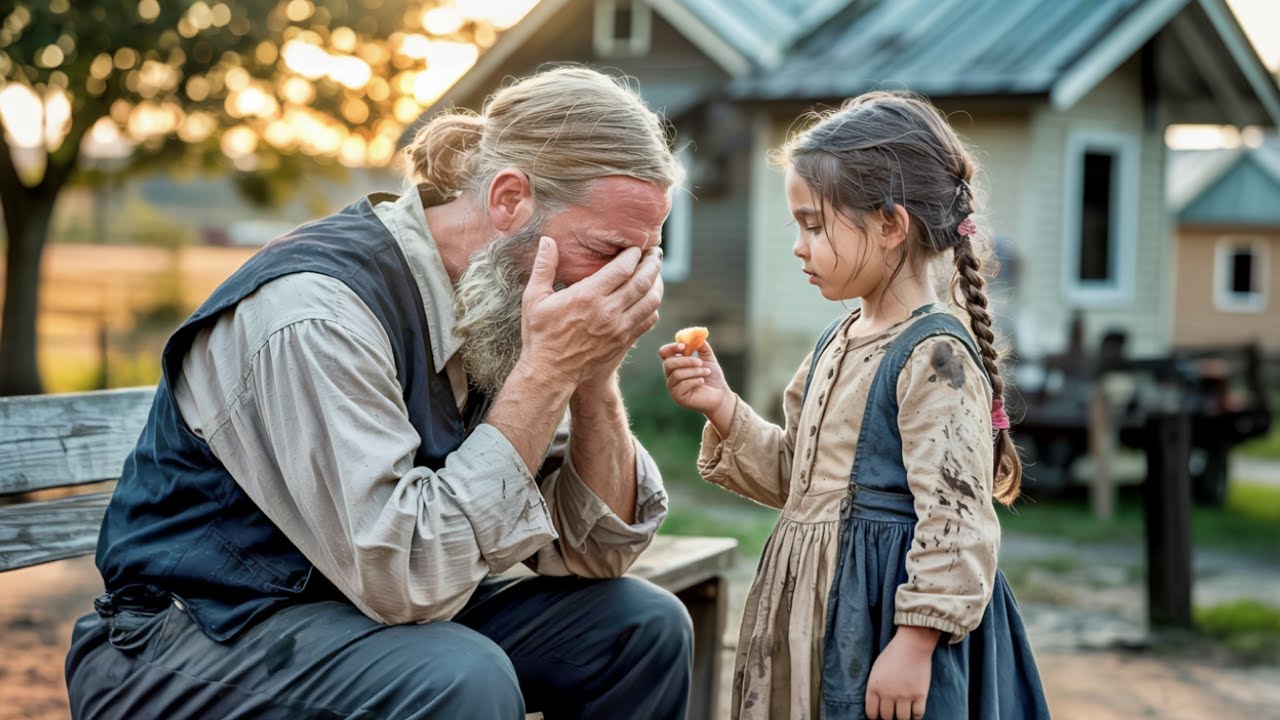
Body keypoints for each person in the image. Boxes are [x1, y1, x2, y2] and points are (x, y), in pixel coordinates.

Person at [66, 67, 693, 719]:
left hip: (358, 615)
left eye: (644, 258)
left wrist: (594, 375)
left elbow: (598, 552)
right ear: (509, 200)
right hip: (186, 639)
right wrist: (545, 374)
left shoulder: (503, 302)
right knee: (460, 677)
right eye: (609, 251)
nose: (628, 281)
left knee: (640, 628)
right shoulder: (317, 312)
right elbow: (404, 579)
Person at [660, 91, 1050, 719]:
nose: (798, 245)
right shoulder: (835, 343)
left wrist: (915, 641)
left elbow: (957, 519)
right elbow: (802, 481)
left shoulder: (934, 356)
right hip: (819, 617)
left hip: (885, 627)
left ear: (892, 225)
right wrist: (722, 406)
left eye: (815, 225)